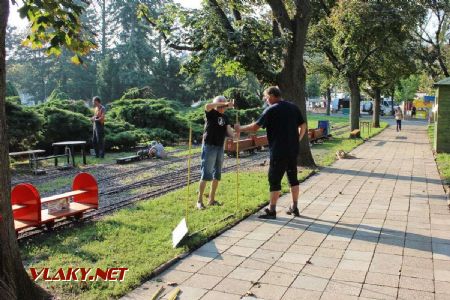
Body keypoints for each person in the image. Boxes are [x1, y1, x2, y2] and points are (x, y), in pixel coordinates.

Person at [235, 86, 307, 219]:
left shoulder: (271, 109)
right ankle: (294, 206)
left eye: (266, 97)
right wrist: (298, 139)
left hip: (278, 150)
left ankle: (272, 210)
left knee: (274, 180)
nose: (266, 100)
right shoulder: (293, 107)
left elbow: (255, 127)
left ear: (273, 96)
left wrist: (240, 129)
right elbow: (303, 126)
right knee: (293, 178)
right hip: (292, 150)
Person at [196, 96, 235, 209]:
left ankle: (211, 200)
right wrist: (226, 103)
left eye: (224, 106)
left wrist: (235, 134)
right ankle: (199, 201)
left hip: (219, 147)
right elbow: (207, 106)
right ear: (217, 104)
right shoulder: (211, 113)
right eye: (221, 105)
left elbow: (228, 131)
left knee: (216, 174)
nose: (223, 108)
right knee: (206, 174)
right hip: (209, 146)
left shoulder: (225, 117)